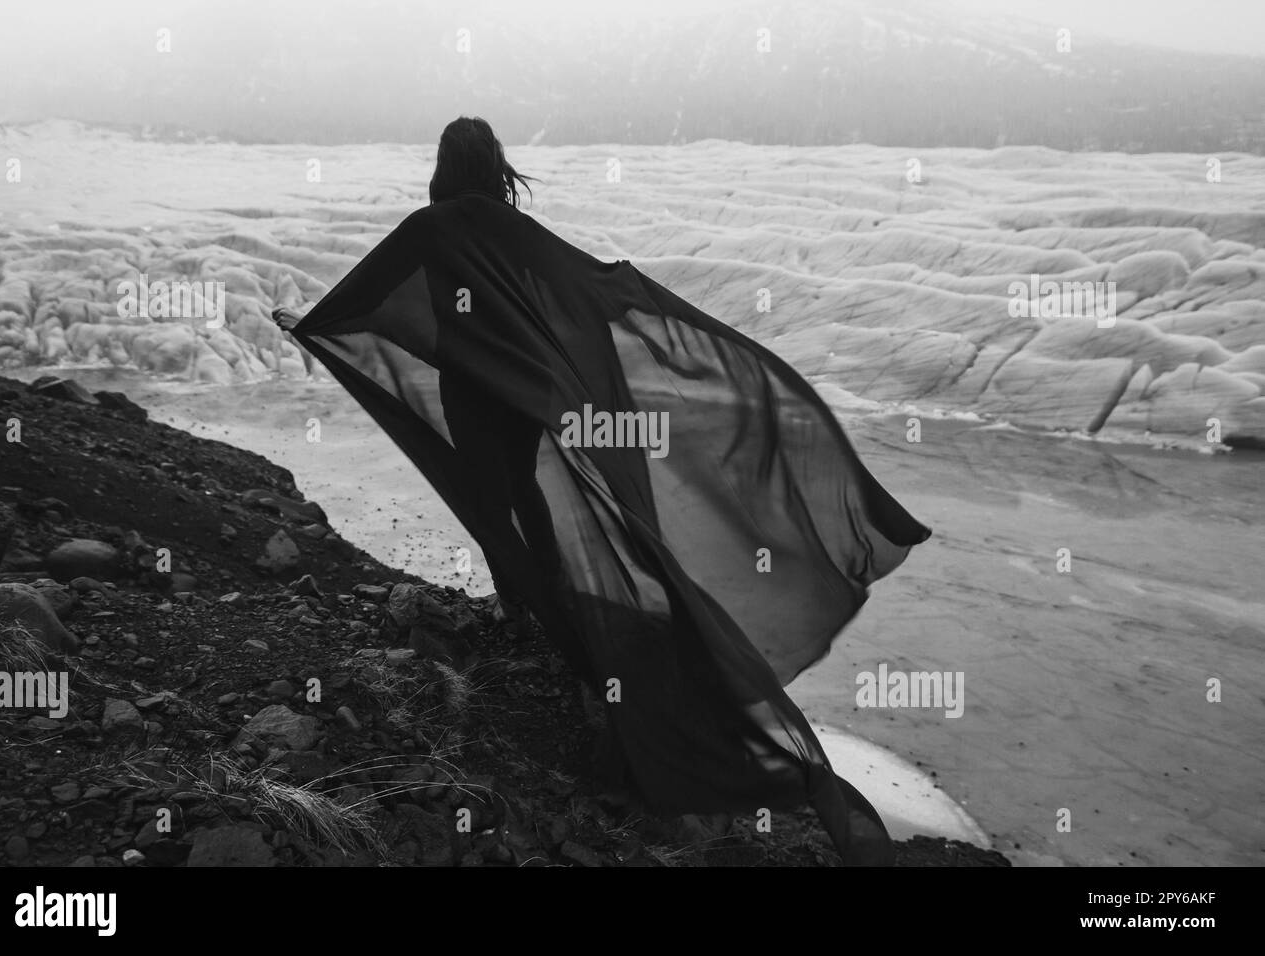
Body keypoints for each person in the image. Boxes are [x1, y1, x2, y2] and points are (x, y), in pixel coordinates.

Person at [280, 116, 932, 865]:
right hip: (521, 398)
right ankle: (537, 599)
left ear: (441, 164)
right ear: (492, 165)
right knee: (523, 490)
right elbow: (577, 292)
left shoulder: (429, 228)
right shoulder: (512, 230)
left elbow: (375, 295)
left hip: (472, 395)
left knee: (494, 502)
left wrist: (311, 324)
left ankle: (524, 602)